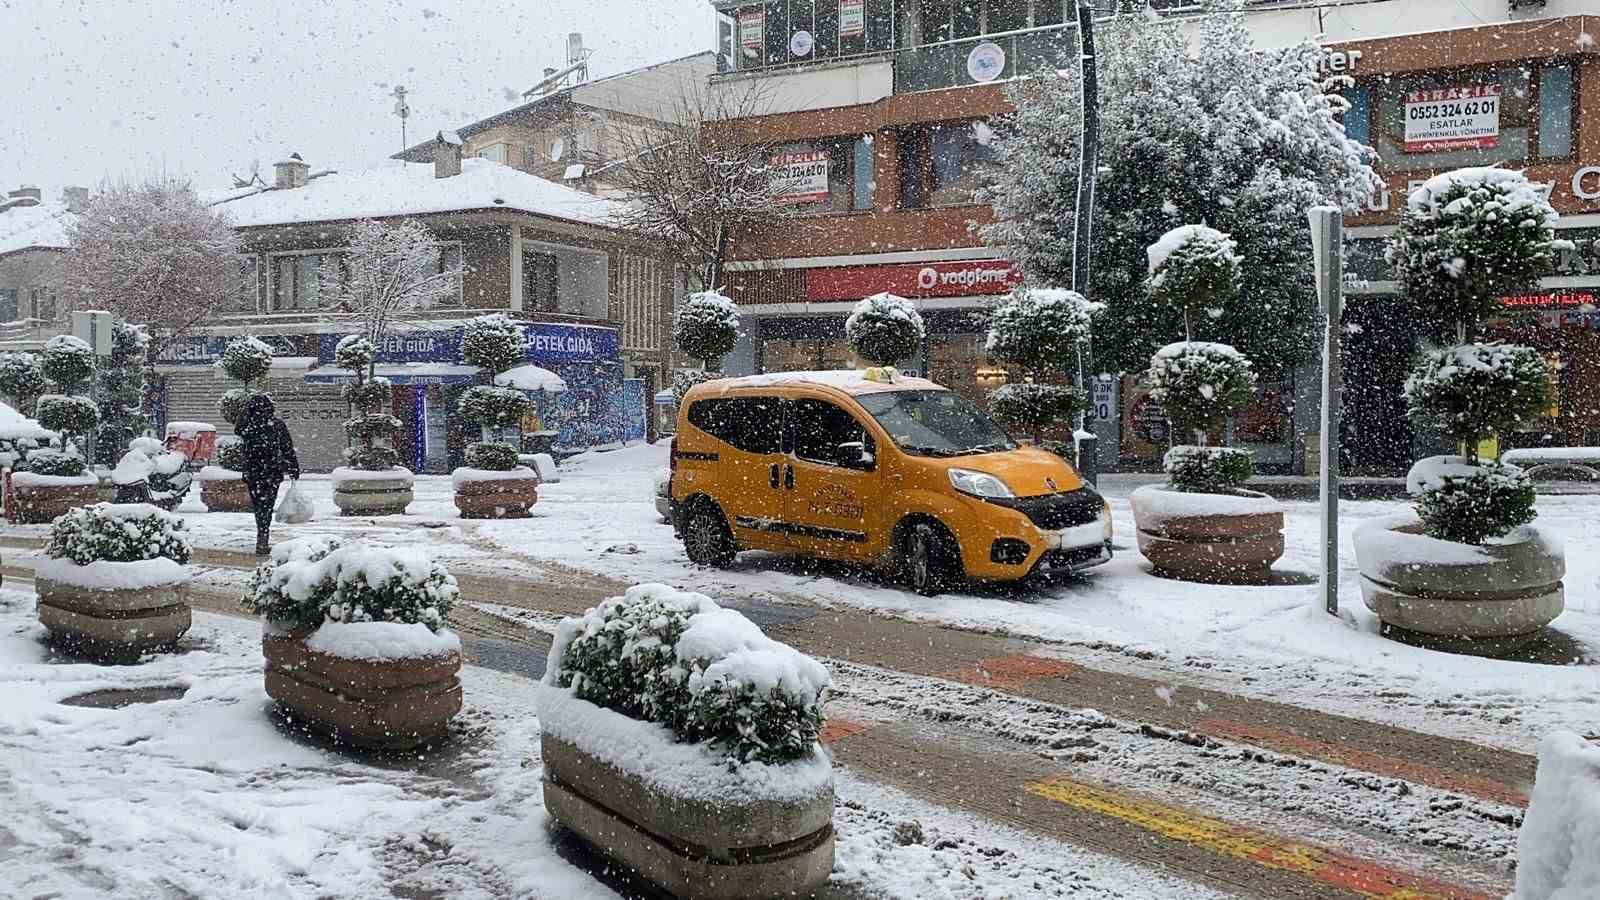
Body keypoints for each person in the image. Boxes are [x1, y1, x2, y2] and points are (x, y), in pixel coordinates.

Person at [236, 393, 300, 556]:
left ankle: (262, 534)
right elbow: (287, 447)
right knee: (267, 504)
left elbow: (239, 430)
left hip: (253, 472)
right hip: (272, 471)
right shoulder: (276, 424)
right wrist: (293, 467)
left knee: (258, 505)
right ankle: (263, 534)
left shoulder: (247, 425)